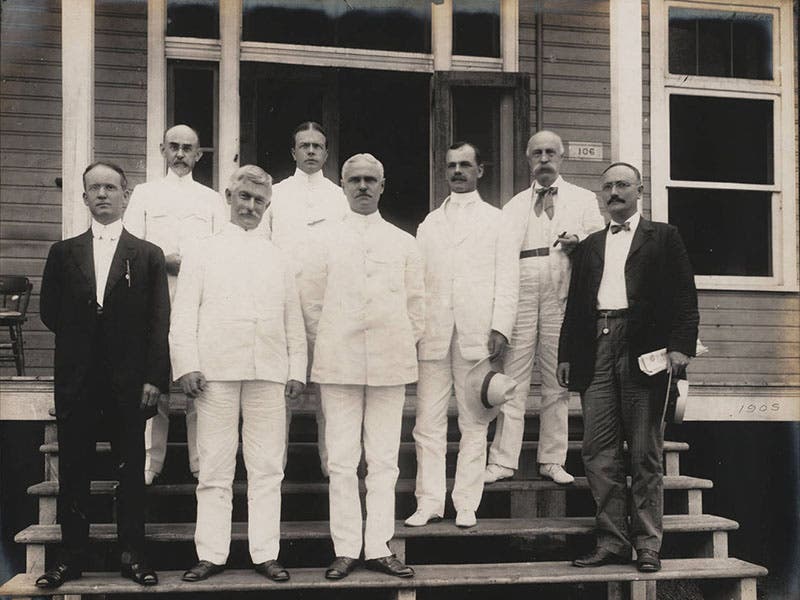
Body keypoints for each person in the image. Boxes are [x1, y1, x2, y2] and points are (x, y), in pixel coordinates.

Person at [557, 162, 699, 573]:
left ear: (639, 190)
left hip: (645, 351)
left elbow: (684, 297)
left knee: (644, 452)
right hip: (595, 347)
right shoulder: (590, 245)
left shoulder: (664, 237)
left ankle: (648, 545)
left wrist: (679, 348)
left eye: (622, 184)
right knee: (597, 452)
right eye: (607, 186)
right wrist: (567, 353)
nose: (614, 191)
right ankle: (611, 542)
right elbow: (575, 304)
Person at [169, 165, 306, 583]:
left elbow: (292, 318)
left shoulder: (279, 255)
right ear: (229, 197)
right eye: (243, 197)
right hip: (215, 373)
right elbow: (184, 312)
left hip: (268, 371)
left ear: (268, 205)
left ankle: (265, 552)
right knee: (214, 466)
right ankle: (211, 553)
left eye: (259, 200)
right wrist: (187, 365)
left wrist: (296, 368)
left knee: (267, 466)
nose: (250, 206)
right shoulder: (203, 250)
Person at [37, 161, 170, 588]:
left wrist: (152, 378)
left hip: (128, 384)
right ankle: (70, 558)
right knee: (74, 470)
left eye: (111, 188)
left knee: (129, 471)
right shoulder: (64, 252)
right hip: (77, 381)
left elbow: (158, 321)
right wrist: (84, 345)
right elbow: (49, 312)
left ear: (126, 195)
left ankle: (133, 556)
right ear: (84, 197)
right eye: (94, 188)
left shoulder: (147, 255)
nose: (102, 195)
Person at [303, 154, 424, 580]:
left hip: (390, 364)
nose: (362, 187)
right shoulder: (323, 239)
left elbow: (417, 307)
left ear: (383, 185)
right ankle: (346, 548)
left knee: (385, 461)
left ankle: (378, 546)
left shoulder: (403, 242)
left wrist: (393, 344)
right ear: (342, 184)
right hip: (338, 364)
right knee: (340, 460)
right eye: (354, 179)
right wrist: (333, 343)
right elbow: (312, 305)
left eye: (371, 179)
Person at [406, 142, 518, 529]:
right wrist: (416, 328)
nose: (457, 171)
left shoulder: (497, 220)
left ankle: (466, 502)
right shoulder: (429, 223)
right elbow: (417, 282)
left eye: (465, 165)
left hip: (477, 333)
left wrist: (501, 326)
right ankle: (430, 501)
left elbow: (508, 279)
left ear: (480, 170)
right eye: (452, 165)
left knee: (475, 420)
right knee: (428, 422)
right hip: (434, 334)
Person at [485, 130, 604, 485]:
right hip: (521, 289)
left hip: (560, 290)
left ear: (562, 157)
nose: (544, 159)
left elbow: (599, 245)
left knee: (557, 379)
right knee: (513, 380)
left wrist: (577, 242)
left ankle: (552, 459)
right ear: (527, 158)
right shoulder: (514, 205)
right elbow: (501, 260)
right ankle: (503, 460)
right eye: (537, 153)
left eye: (551, 152)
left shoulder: (583, 199)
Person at [124, 124, 226, 485]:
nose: (181, 154)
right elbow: (132, 247)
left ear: (199, 154)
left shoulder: (212, 200)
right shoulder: (145, 195)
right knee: (156, 382)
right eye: (174, 147)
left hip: (199, 302)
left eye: (188, 148)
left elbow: (222, 250)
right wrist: (161, 260)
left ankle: (202, 464)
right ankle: (151, 464)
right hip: (156, 297)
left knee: (200, 383)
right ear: (163, 150)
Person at [261, 121, 349, 478]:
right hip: (284, 305)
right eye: (304, 145)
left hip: (327, 307)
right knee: (282, 386)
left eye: (317, 145)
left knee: (329, 387)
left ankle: (333, 465)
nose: (311, 151)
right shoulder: (276, 195)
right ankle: (273, 467)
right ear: (293, 152)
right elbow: (263, 247)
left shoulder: (338, 197)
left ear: (326, 153)